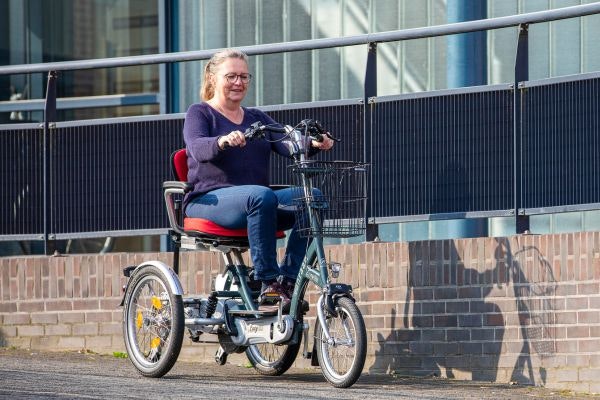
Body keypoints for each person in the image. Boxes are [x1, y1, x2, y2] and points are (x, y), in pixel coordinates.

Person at [182, 49, 334, 308]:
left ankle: (288, 280)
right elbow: (196, 148)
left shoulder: (256, 118)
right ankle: (267, 279)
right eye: (231, 76)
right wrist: (222, 141)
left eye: (244, 77)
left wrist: (314, 143)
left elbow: (287, 143)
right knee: (259, 194)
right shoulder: (200, 113)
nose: (238, 83)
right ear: (212, 78)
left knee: (313, 199)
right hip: (209, 201)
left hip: (257, 204)